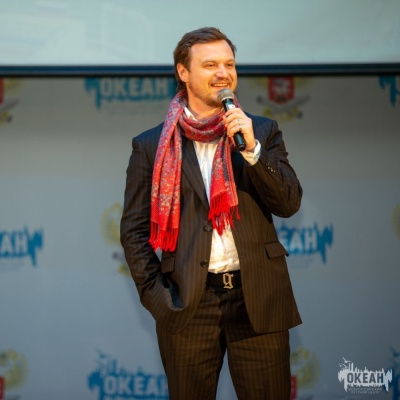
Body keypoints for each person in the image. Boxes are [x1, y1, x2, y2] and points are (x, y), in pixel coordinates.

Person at [119, 27, 303, 399]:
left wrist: (251, 151)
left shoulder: (261, 131)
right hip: (188, 302)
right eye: (210, 65)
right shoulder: (151, 145)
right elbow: (134, 231)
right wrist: (158, 297)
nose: (223, 73)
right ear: (183, 72)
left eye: (229, 64)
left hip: (258, 298)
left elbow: (288, 203)